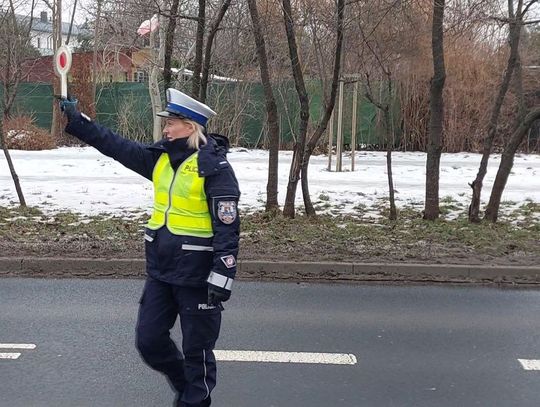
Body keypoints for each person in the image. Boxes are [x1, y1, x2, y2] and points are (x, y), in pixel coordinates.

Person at [60, 88, 240, 407]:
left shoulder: (215, 168)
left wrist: (222, 275)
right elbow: (116, 145)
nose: (165, 129)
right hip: (161, 271)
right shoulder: (160, 159)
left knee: (197, 353)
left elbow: (228, 227)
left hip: (198, 277)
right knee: (149, 341)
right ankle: (187, 387)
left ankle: (194, 399)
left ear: (191, 126)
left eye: (171, 123)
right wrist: (79, 120)